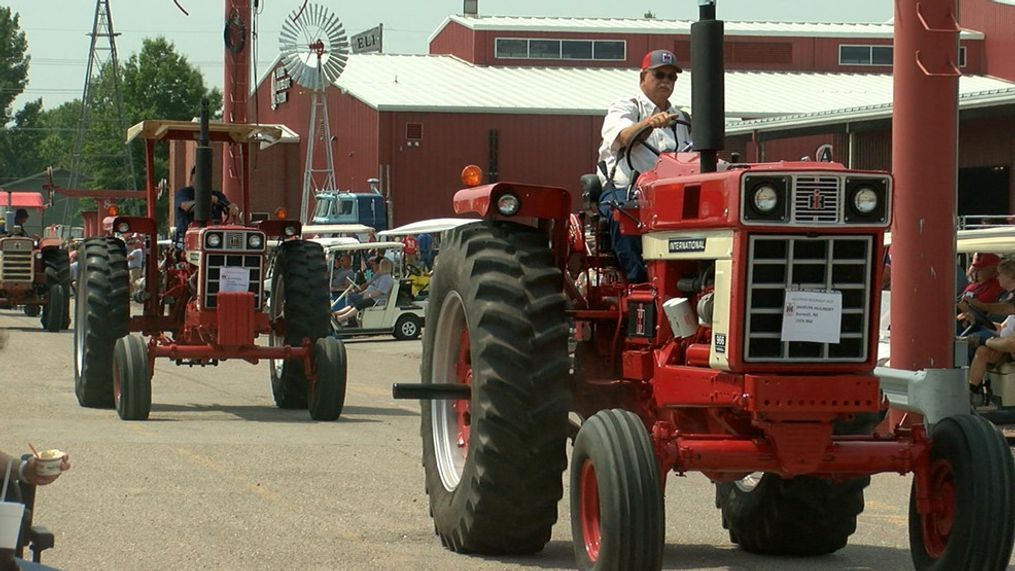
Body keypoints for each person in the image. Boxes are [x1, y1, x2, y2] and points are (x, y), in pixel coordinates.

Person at [597, 49, 691, 283]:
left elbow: (690, 156)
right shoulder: (626, 107)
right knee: (625, 212)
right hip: (627, 190)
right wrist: (649, 123)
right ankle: (639, 283)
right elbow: (624, 137)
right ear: (643, 77)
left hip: (669, 193)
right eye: (659, 75)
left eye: (671, 77)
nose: (666, 82)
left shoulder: (680, 117)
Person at [966, 257, 1015, 406]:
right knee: (981, 350)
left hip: (1011, 346)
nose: (997, 277)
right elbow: (1003, 327)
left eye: (1001, 274)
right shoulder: (1010, 296)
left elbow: (1005, 308)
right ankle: (972, 393)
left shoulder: (1011, 301)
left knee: (983, 342)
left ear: (1011, 275)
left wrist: (981, 306)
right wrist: (975, 317)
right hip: (1006, 345)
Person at [174, 166, 240, 245]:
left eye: (204, 180)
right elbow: (185, 206)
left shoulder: (217, 195)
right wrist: (207, 199)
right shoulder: (183, 193)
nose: (201, 183)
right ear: (191, 181)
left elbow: (228, 206)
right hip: (186, 236)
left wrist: (232, 207)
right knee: (182, 254)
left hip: (214, 238)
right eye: (197, 180)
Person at [333, 257, 395, 325]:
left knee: (359, 304)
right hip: (372, 298)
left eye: (380, 265)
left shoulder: (386, 279)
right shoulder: (381, 276)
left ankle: (342, 318)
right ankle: (338, 313)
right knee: (355, 301)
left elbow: (380, 292)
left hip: (377, 300)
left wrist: (369, 295)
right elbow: (372, 286)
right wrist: (363, 293)